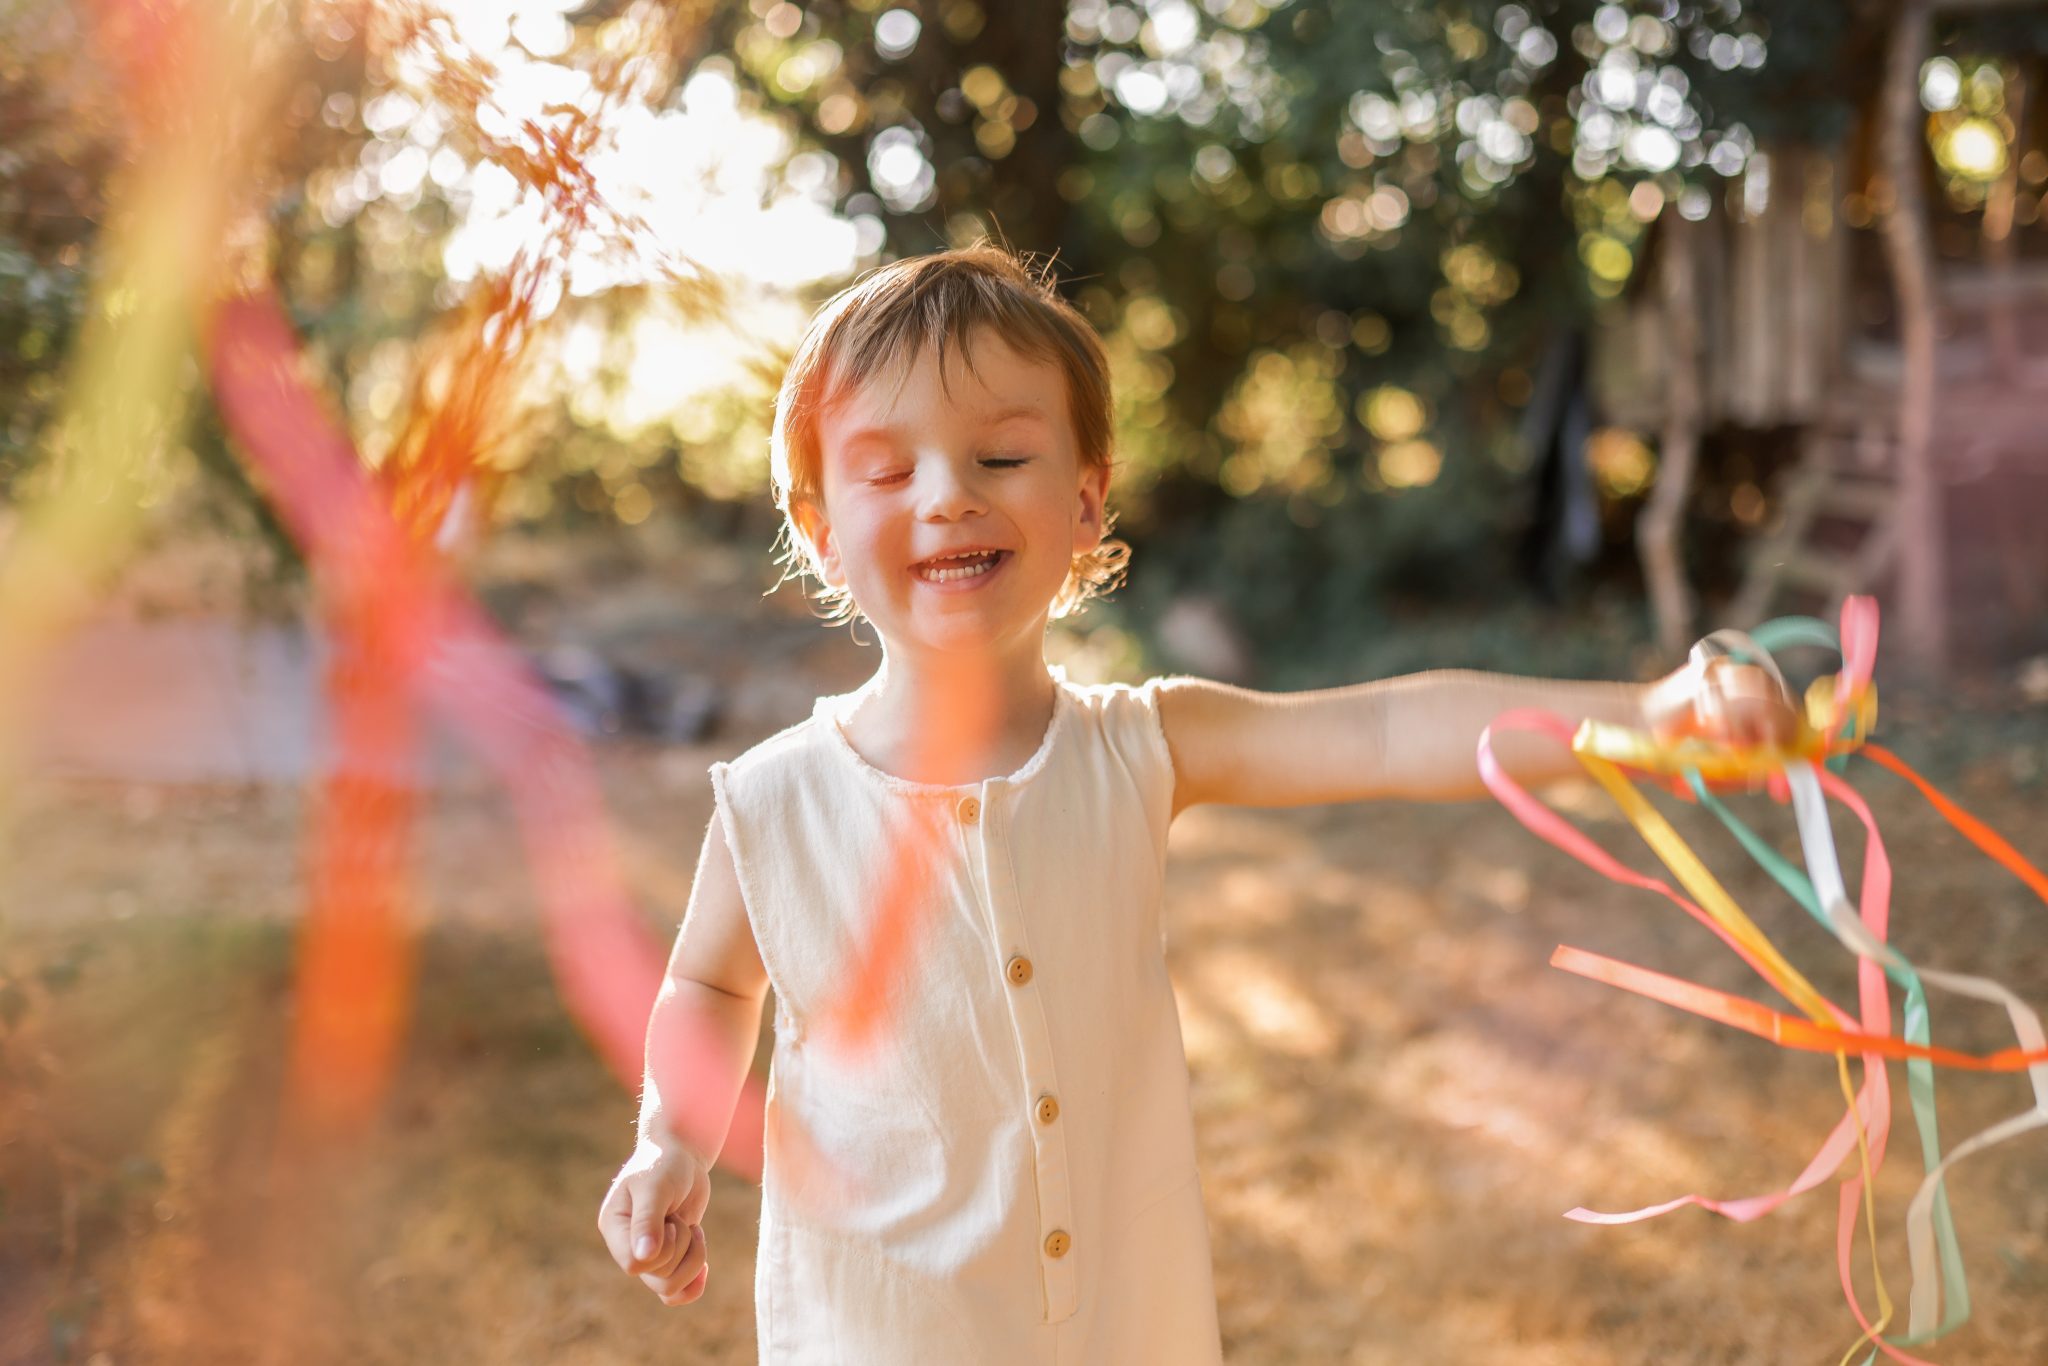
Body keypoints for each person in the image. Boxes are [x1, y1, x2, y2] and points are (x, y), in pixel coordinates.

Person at [595, 243, 1794, 1363]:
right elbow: (707, 985)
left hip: (1121, 1317)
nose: (947, 495)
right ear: (820, 527)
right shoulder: (772, 801)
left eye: (1001, 456)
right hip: (886, 1327)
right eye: (886, 468)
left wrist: (1647, 714)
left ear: (1084, 501)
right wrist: (671, 1140)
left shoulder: (1139, 747)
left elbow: (1382, 726)